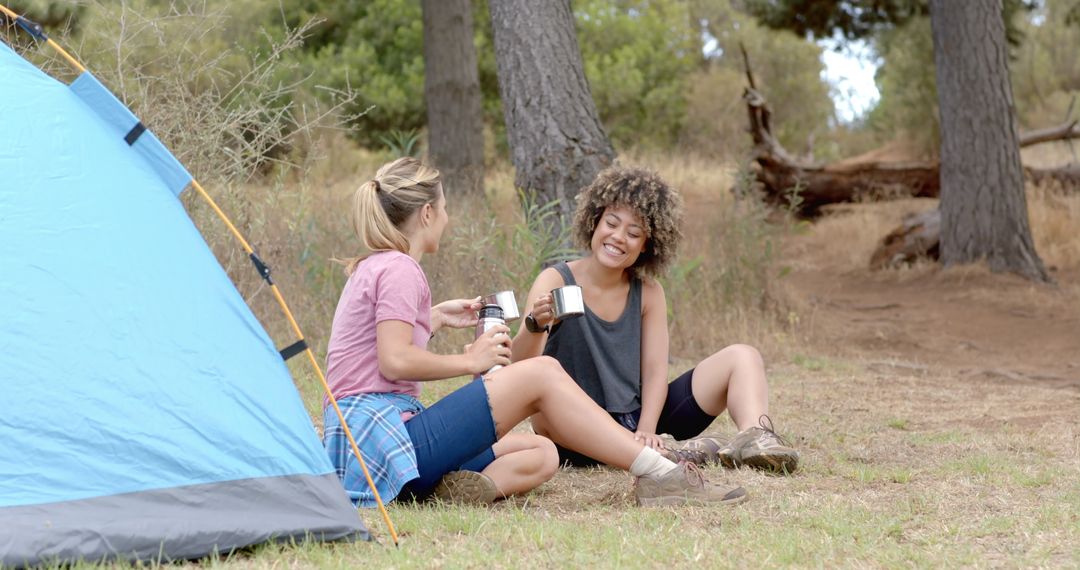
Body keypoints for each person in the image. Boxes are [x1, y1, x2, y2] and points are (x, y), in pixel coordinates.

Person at [323, 157, 748, 509]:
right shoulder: (400, 268)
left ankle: (446, 492)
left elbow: (370, 351)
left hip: (380, 445)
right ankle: (660, 473)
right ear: (427, 213)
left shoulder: (379, 265)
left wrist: (432, 319)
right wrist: (471, 362)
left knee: (541, 453)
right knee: (542, 372)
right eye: (446, 208)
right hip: (378, 441)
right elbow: (393, 360)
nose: (447, 218)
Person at [511, 166, 799, 474]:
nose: (618, 237)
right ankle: (674, 455)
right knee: (550, 407)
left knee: (743, 356)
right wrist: (534, 323)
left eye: (634, 233)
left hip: (637, 420)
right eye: (612, 223)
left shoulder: (648, 292)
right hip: (573, 428)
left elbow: (654, 371)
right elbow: (522, 368)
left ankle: (756, 441)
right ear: (594, 222)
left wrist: (647, 429)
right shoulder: (555, 279)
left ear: (647, 244)